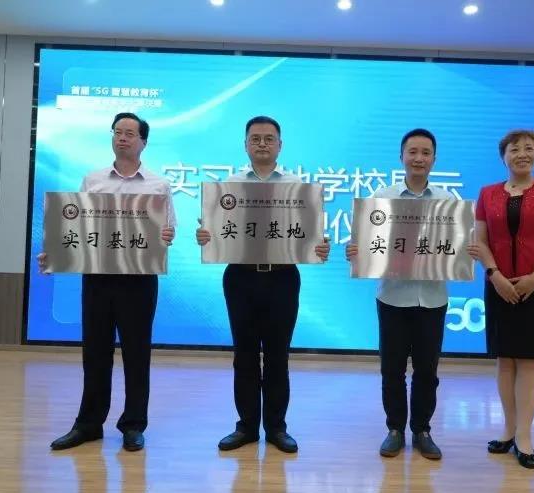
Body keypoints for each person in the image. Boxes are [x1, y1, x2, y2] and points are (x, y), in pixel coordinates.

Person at [39, 112, 176, 452]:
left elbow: (168, 231)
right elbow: (75, 228)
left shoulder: (158, 185)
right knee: (95, 351)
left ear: (143, 142)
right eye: (117, 132)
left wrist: (166, 235)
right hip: (98, 279)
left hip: (139, 280)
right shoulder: (93, 180)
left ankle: (133, 424)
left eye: (130, 133)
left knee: (137, 353)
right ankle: (89, 424)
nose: (122, 138)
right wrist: (54, 254)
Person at [196, 116, 330, 454]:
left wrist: (319, 246)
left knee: (277, 356)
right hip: (240, 278)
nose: (262, 144)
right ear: (245, 144)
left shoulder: (298, 187)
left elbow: (311, 236)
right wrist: (207, 237)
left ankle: (276, 428)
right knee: (243, 354)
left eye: (269, 138)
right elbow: (217, 233)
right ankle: (246, 427)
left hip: (282, 278)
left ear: (280, 145)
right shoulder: (229, 186)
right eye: (255, 138)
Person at [468, 129, 534, 469]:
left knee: (528, 361)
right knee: (505, 359)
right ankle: (508, 430)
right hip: (499, 285)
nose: (522, 154)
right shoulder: (487, 193)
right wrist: (495, 276)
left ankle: (525, 436)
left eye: (529, 148)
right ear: (504, 157)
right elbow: (480, 241)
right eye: (514, 149)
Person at [346, 128, 451, 460]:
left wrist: (468, 251)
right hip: (392, 298)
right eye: (413, 152)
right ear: (401, 156)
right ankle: (395, 429)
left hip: (432, 298)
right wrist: (356, 251)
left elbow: (458, 246)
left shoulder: (448, 201)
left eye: (425, 153)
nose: (419, 158)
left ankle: (422, 430)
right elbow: (365, 244)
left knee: (427, 371)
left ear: (434, 158)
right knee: (391, 370)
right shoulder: (383, 197)